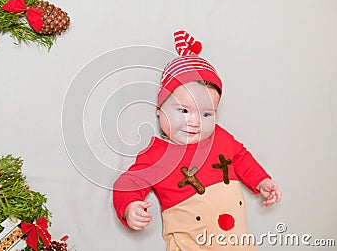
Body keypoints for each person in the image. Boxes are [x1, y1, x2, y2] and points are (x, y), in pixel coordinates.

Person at [113, 30, 281, 250]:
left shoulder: (220, 137)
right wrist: (130, 207)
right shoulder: (157, 155)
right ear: (159, 109)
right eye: (183, 110)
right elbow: (128, 184)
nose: (195, 122)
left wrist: (261, 181)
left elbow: (241, 157)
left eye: (206, 114)